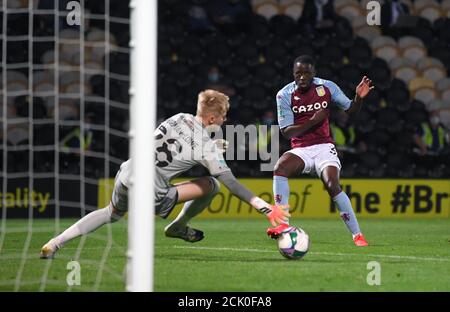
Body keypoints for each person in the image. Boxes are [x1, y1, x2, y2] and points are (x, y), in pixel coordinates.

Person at [40, 89, 289, 258]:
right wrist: (266, 208)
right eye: (223, 116)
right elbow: (233, 184)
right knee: (213, 185)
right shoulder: (204, 145)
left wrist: (211, 147)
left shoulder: (178, 117)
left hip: (128, 172)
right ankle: (179, 227)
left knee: (111, 213)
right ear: (213, 116)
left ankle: (55, 243)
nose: (224, 121)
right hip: (151, 189)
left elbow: (174, 146)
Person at [268, 55, 374, 247]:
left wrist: (358, 98)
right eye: (298, 73)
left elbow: (351, 110)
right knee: (280, 167)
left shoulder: (327, 87)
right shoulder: (284, 95)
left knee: (332, 184)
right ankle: (283, 225)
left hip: (324, 147)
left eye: (306, 73)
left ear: (314, 73)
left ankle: (357, 235)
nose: (302, 77)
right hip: (300, 149)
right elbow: (286, 132)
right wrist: (313, 121)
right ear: (293, 73)